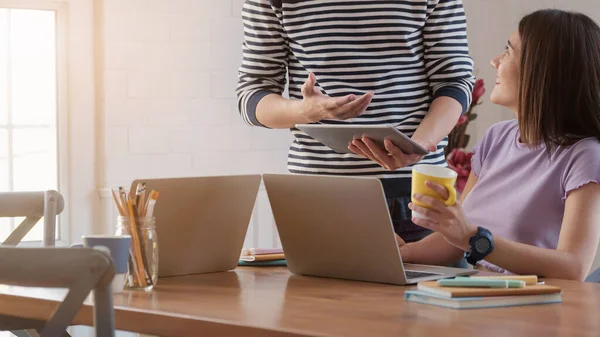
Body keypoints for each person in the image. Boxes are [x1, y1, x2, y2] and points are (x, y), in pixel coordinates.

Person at [236, 0, 475, 246]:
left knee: (429, 284)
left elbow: (455, 82)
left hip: (416, 192)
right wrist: (306, 111)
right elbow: (252, 96)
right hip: (317, 193)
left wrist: (421, 144)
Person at [398, 9, 600, 281]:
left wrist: (474, 238)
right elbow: (457, 239)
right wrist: (406, 252)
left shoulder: (585, 156)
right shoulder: (496, 138)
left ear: (543, 69)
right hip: (477, 295)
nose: (494, 61)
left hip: (536, 307)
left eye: (508, 52)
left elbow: (573, 267)